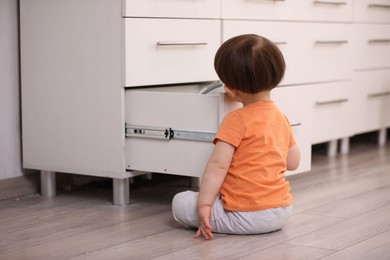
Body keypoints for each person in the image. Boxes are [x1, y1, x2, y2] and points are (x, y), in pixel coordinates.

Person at [171, 34, 301, 240]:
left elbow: (218, 167)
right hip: (282, 211)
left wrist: (204, 204)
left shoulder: (236, 119)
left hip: (246, 216)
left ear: (230, 90)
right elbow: (293, 162)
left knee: (180, 202)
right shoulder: (281, 118)